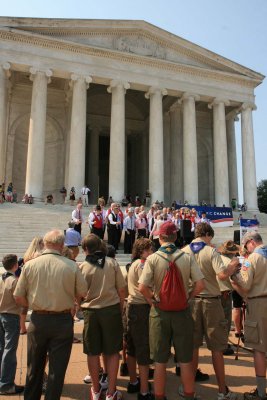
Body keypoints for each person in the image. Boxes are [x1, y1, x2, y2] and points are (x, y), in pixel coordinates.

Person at [14, 229, 87, 400]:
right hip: (62, 320)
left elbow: (18, 296)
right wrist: (74, 303)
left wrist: (33, 304)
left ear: (45, 243)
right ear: (62, 245)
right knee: (57, 371)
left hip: (39, 319)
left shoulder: (30, 265)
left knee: (34, 368)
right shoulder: (71, 265)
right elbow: (83, 293)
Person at [139, 221, 205, 400]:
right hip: (182, 311)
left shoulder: (152, 259)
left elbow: (142, 287)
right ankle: (189, 395)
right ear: (176, 237)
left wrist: (153, 300)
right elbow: (200, 284)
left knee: (160, 361)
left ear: (159, 237)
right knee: (185, 359)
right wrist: (188, 297)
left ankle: (159, 396)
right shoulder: (187, 256)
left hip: (160, 312)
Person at [183, 222, 239, 400]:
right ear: (207, 235)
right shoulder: (210, 251)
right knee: (216, 348)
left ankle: (189, 390)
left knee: (192, 347)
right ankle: (222, 391)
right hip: (210, 302)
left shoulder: (184, 251)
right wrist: (232, 266)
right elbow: (222, 274)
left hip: (191, 302)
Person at [80, 234, 126, 400]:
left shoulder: (83, 267)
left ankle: (96, 389)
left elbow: (79, 294)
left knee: (92, 352)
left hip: (91, 311)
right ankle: (111, 392)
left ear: (86, 249)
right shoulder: (112, 263)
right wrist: (121, 308)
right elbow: (122, 289)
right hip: (111, 309)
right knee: (112, 352)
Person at [231, 231, 267, 400]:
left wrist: (234, 274)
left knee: (259, 348)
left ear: (251, 242)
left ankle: (261, 393)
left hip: (260, 303)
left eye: (246, 246)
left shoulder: (253, 258)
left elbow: (245, 285)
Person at [126, 238, 154, 400]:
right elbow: (146, 288)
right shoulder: (143, 264)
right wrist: (153, 302)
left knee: (132, 348)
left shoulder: (134, 264)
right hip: (141, 307)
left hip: (132, 306)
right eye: (149, 250)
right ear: (142, 251)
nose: (152, 253)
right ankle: (144, 390)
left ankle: (133, 381)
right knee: (143, 349)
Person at [0, 254, 24, 395]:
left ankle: (2, 380)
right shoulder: (14, 281)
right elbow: (19, 299)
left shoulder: (1, 279)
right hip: (11, 316)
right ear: (15, 265)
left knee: (2, 348)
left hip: (1, 314)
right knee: (9, 350)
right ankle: (6, 384)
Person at [217, 240, 240, 356]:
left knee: (216, 320)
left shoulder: (216, 259)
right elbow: (237, 280)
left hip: (213, 293)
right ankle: (223, 345)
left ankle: (217, 343)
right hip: (225, 293)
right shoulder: (232, 263)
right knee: (225, 321)